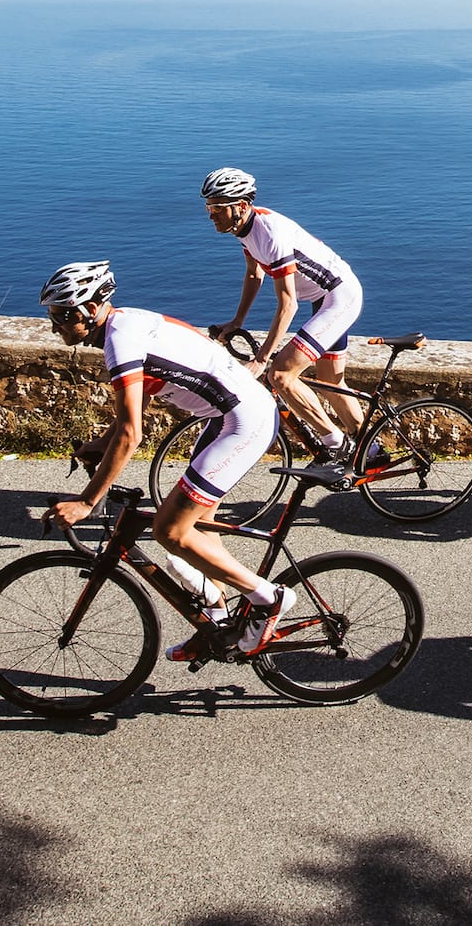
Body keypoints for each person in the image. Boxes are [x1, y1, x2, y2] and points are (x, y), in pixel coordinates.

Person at [37, 261, 295, 660]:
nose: (55, 326)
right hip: (223, 415)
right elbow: (135, 407)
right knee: (193, 527)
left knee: (170, 530)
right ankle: (215, 619)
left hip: (244, 420)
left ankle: (269, 599)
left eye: (58, 316)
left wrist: (88, 501)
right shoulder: (124, 324)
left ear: (87, 310)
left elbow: (131, 434)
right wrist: (99, 444)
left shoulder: (119, 341)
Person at [199, 167, 367, 481]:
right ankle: (370, 451)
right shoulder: (245, 231)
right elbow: (254, 274)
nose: (212, 215)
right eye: (209, 207)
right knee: (331, 382)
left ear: (242, 206)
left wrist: (262, 359)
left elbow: (287, 303)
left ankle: (337, 446)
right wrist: (237, 321)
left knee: (281, 374)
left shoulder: (268, 232)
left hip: (338, 296)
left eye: (218, 208)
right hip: (324, 297)